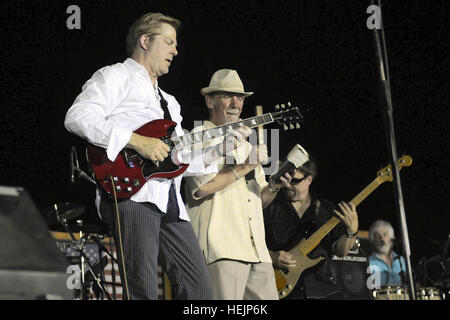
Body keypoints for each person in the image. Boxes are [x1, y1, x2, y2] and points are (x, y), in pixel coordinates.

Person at [64, 12, 223, 300]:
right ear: (145, 41)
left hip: (171, 202)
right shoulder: (115, 76)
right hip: (132, 195)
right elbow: (78, 116)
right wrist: (137, 141)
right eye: (169, 42)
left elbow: (177, 160)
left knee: (201, 292)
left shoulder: (170, 103)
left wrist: (220, 148)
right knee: (144, 291)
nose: (175, 50)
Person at [184, 69, 284, 300]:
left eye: (239, 97)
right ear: (210, 101)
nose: (235, 103)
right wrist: (245, 167)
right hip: (222, 249)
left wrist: (276, 185)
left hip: (257, 251)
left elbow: (260, 199)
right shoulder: (199, 135)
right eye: (227, 96)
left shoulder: (247, 146)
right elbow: (201, 187)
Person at [263, 156, 359, 300]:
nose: (288, 185)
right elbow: (249, 242)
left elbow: (341, 251)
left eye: (295, 181)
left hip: (321, 289)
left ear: (309, 180)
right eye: (286, 179)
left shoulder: (327, 210)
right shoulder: (270, 207)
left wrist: (351, 232)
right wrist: (273, 256)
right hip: (280, 287)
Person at [368, 220, 406, 287]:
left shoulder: (401, 260)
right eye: (378, 236)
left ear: (391, 237)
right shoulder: (369, 263)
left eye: (385, 234)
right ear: (373, 239)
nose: (382, 239)